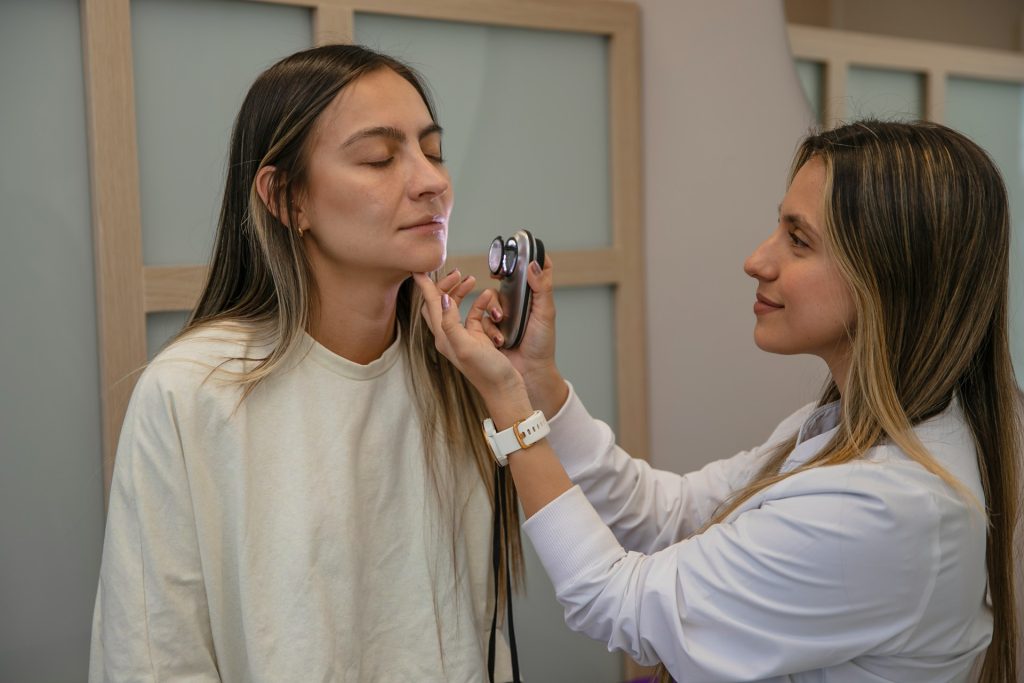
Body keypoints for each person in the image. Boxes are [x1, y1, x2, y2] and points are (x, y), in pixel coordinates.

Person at [416, 120, 1021, 682]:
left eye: (798, 241)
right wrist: (537, 382)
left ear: (890, 279)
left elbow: (616, 601)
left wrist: (510, 408)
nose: (757, 260)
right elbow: (668, 514)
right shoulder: (848, 429)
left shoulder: (890, 506)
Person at [89, 45, 523, 682]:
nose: (431, 180)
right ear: (285, 197)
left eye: (432, 151)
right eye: (379, 157)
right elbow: (153, 655)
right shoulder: (193, 392)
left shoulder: (457, 371)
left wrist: (516, 388)